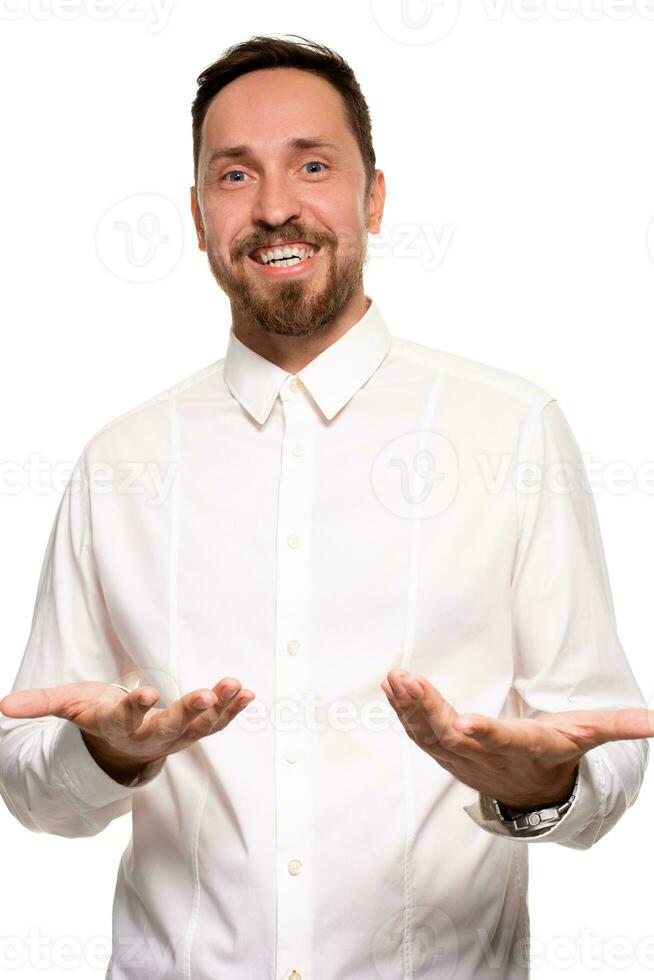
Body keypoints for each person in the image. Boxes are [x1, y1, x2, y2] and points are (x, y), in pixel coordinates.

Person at [0, 34, 651, 980]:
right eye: (234, 175)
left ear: (373, 196)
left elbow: (605, 752)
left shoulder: (511, 432)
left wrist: (544, 786)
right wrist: (106, 759)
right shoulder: (120, 465)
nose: (273, 207)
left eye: (313, 164)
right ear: (194, 216)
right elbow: (32, 788)